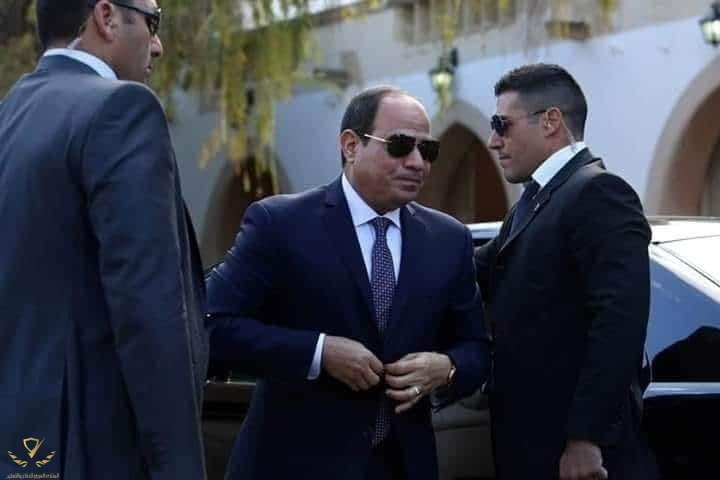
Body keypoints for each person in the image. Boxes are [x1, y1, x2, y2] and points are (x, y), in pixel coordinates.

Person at [206, 85, 489, 480]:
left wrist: (446, 368)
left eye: (428, 150)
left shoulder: (448, 239)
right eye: (400, 146)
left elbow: (476, 348)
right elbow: (211, 325)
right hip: (294, 465)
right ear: (351, 146)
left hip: (402, 466)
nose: (416, 162)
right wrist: (319, 352)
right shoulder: (281, 224)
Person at [0, 1, 208, 478]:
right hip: (92, 451)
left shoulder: (8, 117)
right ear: (107, 16)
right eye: (153, 21)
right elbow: (149, 310)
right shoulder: (121, 108)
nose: (159, 45)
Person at [475, 63, 658, 480]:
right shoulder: (535, 201)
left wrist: (585, 438)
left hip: (576, 456)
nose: (492, 141)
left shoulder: (598, 192)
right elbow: (473, 272)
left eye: (501, 125)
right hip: (532, 446)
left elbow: (619, 323)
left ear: (551, 121)